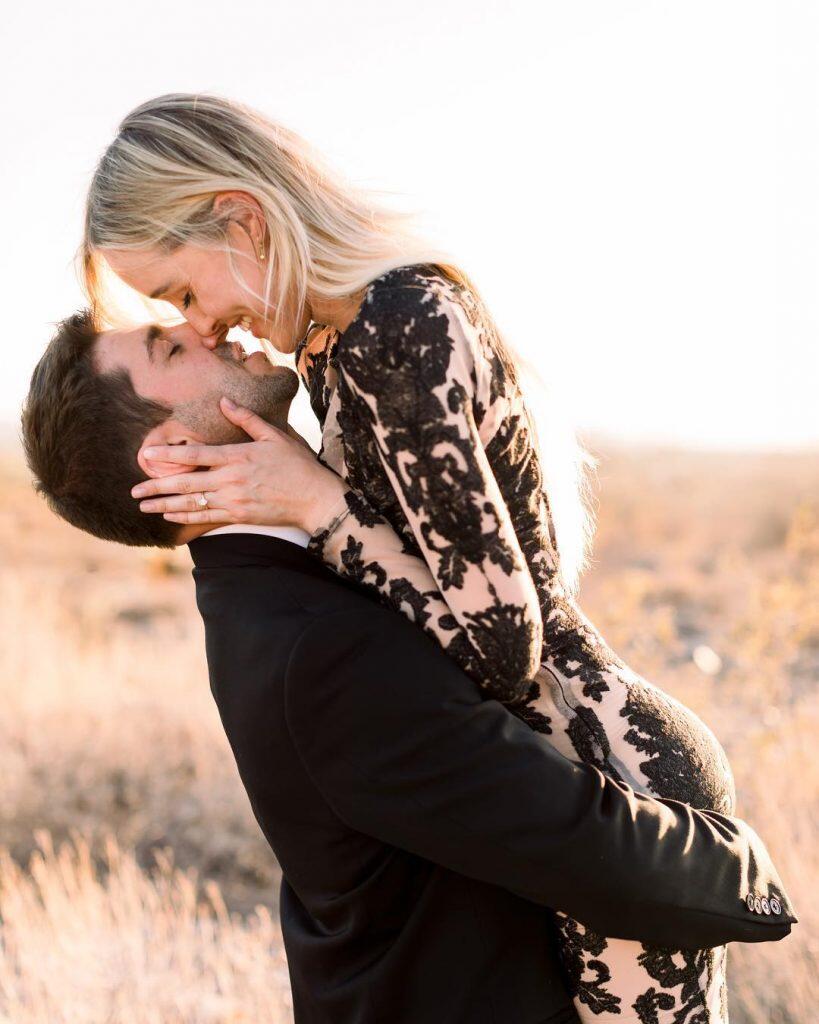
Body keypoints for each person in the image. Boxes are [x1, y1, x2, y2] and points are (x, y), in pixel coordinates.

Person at [80, 94, 767, 1020]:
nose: (205, 326)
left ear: (241, 218)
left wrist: (318, 504)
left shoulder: (393, 325)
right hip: (570, 763)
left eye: (183, 295)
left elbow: (501, 645)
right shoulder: (331, 351)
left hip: (611, 766)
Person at [22, 312, 794, 1024]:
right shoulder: (311, 645)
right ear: (171, 456)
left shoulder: (290, 578)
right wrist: (747, 868)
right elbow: (576, 845)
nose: (206, 325)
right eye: (171, 346)